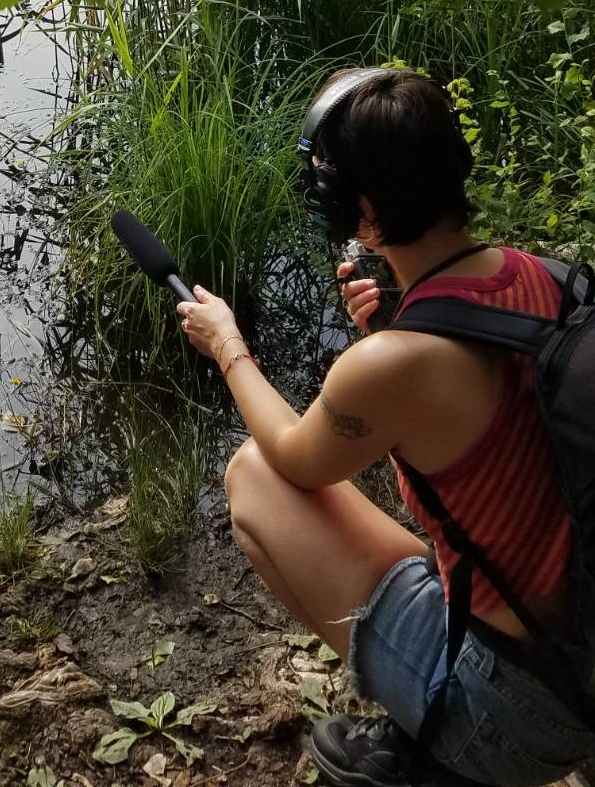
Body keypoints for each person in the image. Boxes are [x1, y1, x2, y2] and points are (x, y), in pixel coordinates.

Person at [177, 66, 593, 787]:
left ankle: (440, 754)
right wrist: (399, 327)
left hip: (514, 712)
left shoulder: (393, 366)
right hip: (580, 653)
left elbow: (293, 458)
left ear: (363, 212)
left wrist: (227, 344)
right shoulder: (548, 278)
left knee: (253, 477)